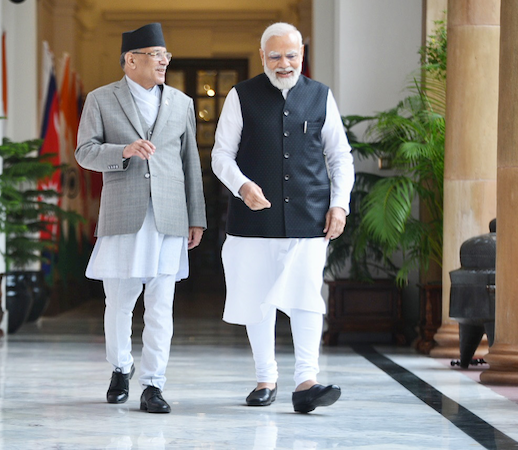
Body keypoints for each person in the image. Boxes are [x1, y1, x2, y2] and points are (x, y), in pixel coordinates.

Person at [211, 22, 354, 413]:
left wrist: (339, 204)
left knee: (307, 299)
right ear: (263, 57)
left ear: (302, 55)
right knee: (258, 300)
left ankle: (307, 381)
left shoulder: (321, 96)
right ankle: (265, 378)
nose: (284, 63)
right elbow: (221, 155)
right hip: (252, 222)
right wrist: (242, 185)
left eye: (291, 55)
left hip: (309, 218)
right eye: (275, 56)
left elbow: (339, 156)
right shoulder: (241, 96)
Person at [75, 22, 207, 414]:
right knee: (118, 302)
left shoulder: (181, 103)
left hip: (169, 216)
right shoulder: (101, 99)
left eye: (166, 56)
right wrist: (124, 151)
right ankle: (120, 368)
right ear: (130, 60)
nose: (164, 61)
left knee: (161, 305)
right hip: (122, 215)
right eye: (155, 55)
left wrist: (195, 217)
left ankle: (153, 384)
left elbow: (191, 163)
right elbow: (84, 152)